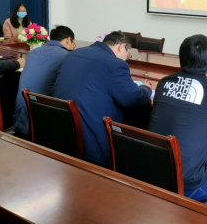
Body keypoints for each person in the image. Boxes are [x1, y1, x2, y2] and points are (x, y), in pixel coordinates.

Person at [149, 35, 207, 213]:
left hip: (153, 171)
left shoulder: (164, 83)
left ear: (181, 59)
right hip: (186, 182)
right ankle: (203, 221)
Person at [53, 31, 152, 167]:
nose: (125, 59)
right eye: (128, 55)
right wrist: (146, 88)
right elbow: (134, 99)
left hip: (60, 132)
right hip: (92, 143)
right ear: (122, 47)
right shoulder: (115, 64)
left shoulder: (74, 53)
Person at [13, 25, 76, 137]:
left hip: (20, 114)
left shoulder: (32, 52)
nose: (73, 48)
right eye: (73, 44)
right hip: (40, 120)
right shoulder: (67, 56)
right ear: (68, 40)